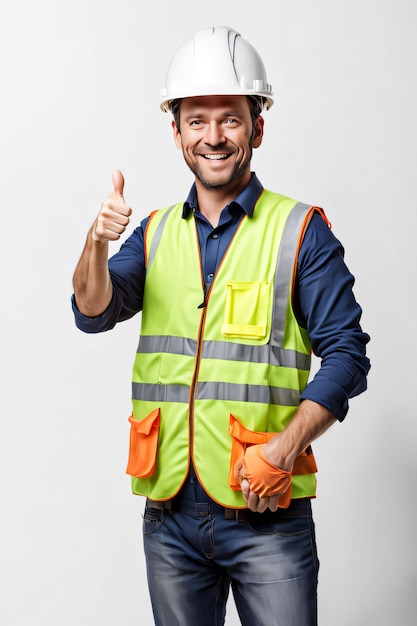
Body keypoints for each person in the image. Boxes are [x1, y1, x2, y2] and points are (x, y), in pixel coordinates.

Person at [72, 26, 370, 626]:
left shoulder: (300, 232)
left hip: (268, 516)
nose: (213, 136)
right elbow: (92, 311)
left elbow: (347, 357)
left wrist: (284, 451)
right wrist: (96, 242)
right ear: (176, 129)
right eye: (197, 119)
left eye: (230, 119)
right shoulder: (154, 233)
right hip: (169, 517)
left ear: (257, 127)